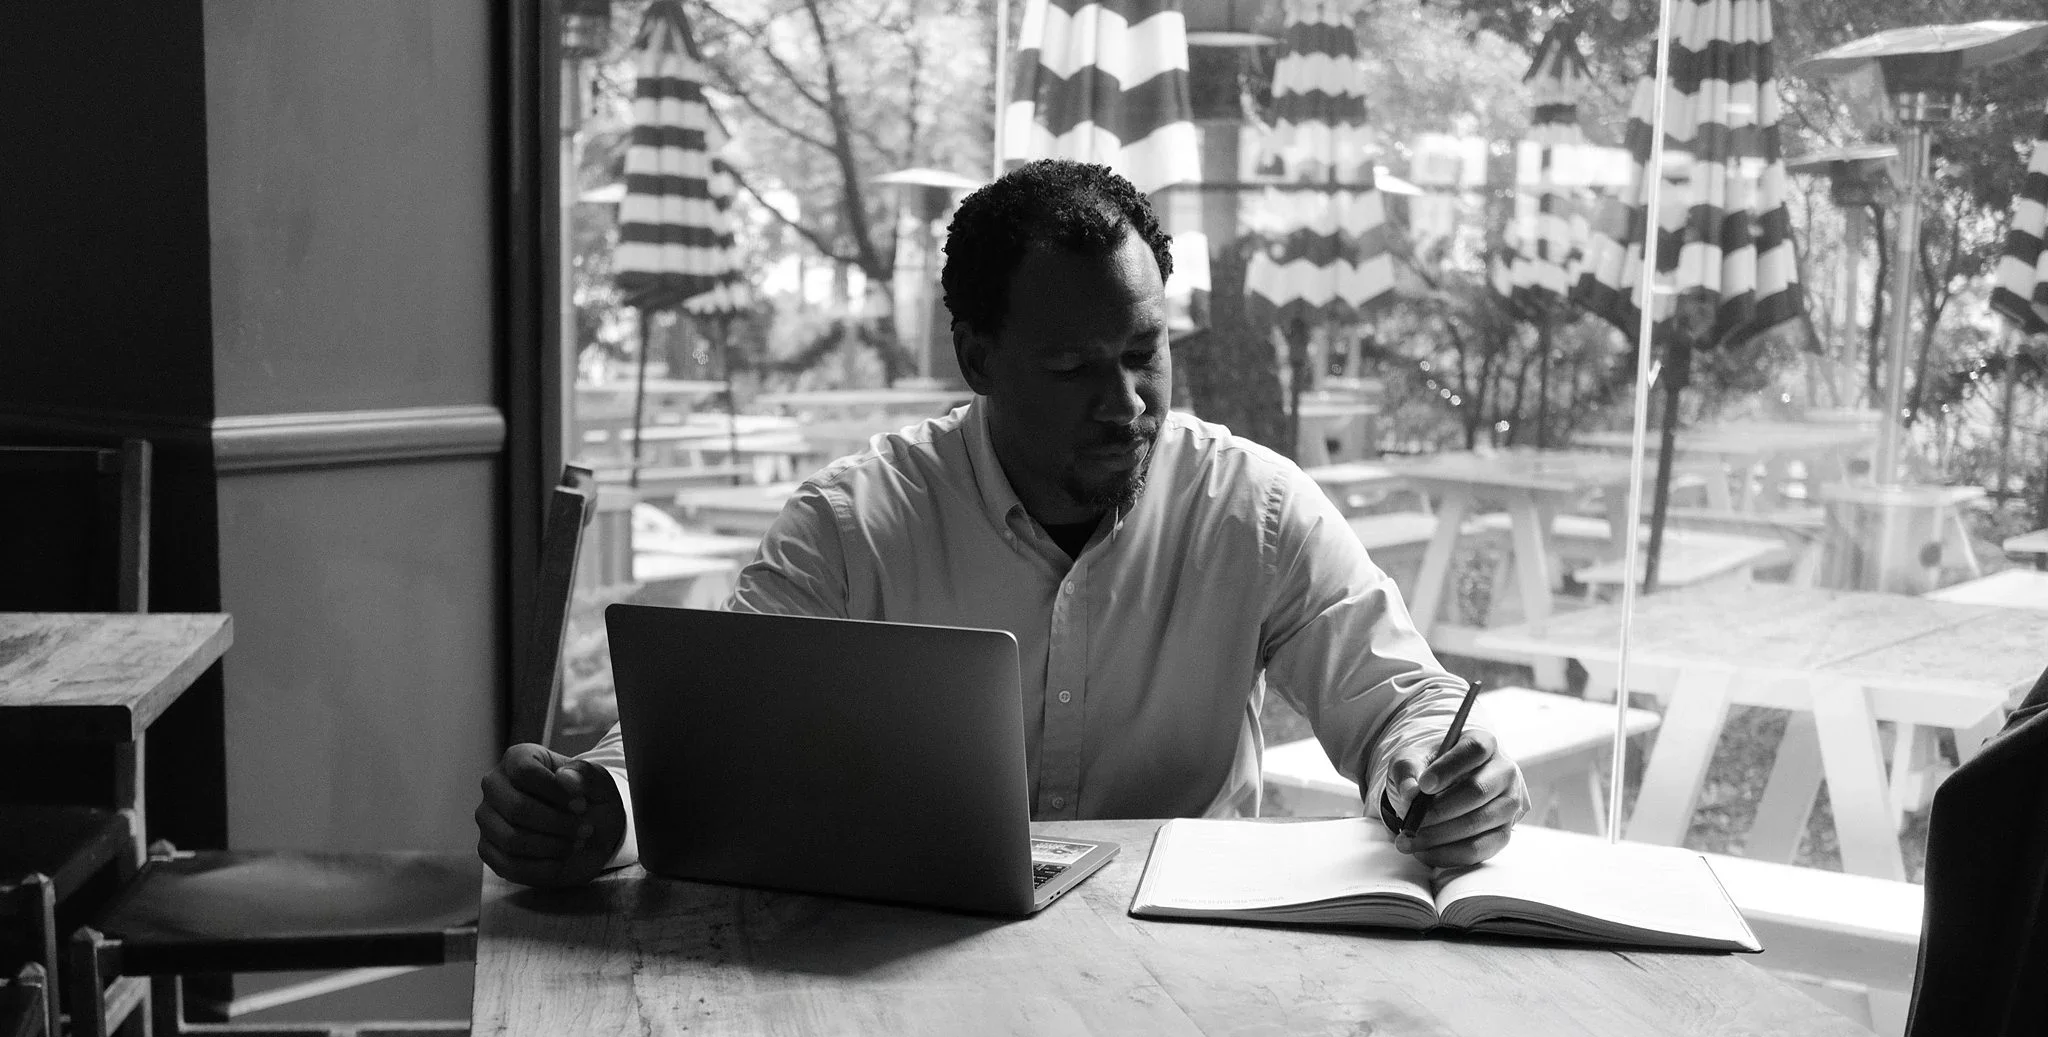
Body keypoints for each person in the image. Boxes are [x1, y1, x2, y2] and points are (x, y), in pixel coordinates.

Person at [477, 159, 1528, 889]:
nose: (1123, 402)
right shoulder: (853, 528)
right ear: (976, 361)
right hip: (905, 970)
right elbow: (687, 755)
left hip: (1185, 968)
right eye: (1072, 368)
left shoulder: (1249, 507)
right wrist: (592, 811)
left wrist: (1434, 766)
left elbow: (1405, 700)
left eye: (1141, 354)